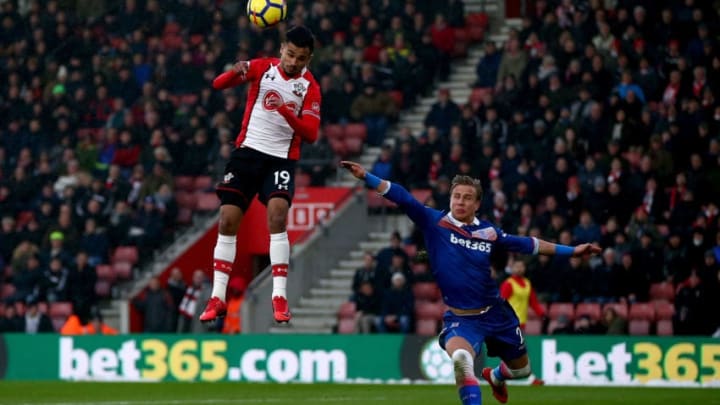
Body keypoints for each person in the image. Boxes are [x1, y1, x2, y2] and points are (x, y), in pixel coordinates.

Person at [340, 160, 601, 405]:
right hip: (461, 319)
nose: (460, 202)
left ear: (477, 204)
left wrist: (572, 251)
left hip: (497, 313)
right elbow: (403, 197)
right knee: (462, 361)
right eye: (456, 196)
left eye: (467, 198)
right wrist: (368, 177)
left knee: (522, 370)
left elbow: (529, 244)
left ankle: (497, 376)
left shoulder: (489, 232)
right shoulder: (435, 222)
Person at [199, 26, 321, 324]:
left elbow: (311, 134)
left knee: (278, 215)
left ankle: (279, 296)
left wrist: (285, 111)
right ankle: (218, 297)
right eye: (290, 54)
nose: (293, 62)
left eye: (301, 58)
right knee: (228, 218)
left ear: (309, 59)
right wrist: (234, 72)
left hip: (280, 159)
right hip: (247, 152)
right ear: (282, 49)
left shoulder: (310, 87)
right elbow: (218, 84)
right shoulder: (262, 68)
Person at [499, 259, 546, 385]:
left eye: (521, 266)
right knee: (520, 351)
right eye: (517, 266)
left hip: (521, 324)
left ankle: (501, 376)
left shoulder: (527, 283)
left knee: (512, 352)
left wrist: (542, 313)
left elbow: (533, 302)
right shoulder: (508, 284)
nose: (519, 269)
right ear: (512, 268)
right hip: (509, 324)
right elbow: (500, 302)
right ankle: (530, 378)